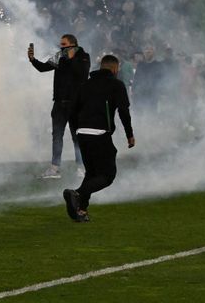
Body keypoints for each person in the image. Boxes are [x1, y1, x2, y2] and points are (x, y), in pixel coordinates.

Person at [63, 55, 135, 222]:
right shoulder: (116, 85)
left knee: (92, 173)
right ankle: (77, 194)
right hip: (99, 134)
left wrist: (76, 132)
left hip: (82, 134)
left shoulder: (84, 85)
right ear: (115, 69)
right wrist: (129, 135)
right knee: (107, 175)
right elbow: (124, 111)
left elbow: (72, 112)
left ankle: (80, 209)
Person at [28, 34, 90, 179]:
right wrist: (32, 60)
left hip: (76, 104)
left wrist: (71, 58)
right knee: (57, 136)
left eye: (64, 44)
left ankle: (81, 167)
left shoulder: (83, 56)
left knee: (77, 137)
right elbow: (43, 68)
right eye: (61, 44)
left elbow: (82, 74)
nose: (61, 47)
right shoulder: (59, 56)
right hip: (59, 103)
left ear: (73, 44)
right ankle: (55, 168)